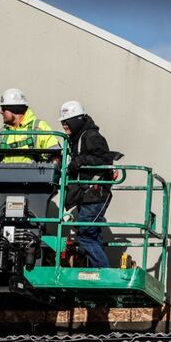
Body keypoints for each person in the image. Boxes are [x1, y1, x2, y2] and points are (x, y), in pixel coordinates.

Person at [59, 100, 120, 267]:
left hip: (95, 194)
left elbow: (105, 158)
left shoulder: (91, 136)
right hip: (87, 195)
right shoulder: (77, 138)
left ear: (77, 120)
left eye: (66, 121)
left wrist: (81, 160)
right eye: (63, 122)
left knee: (85, 234)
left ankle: (103, 272)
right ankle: (99, 271)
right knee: (92, 235)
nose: (64, 126)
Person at [0, 88, 59, 162]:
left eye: (3, 109)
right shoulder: (1, 133)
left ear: (14, 109)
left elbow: (55, 153)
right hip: (4, 173)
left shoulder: (39, 127)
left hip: (34, 173)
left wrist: (55, 160)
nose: (1, 112)